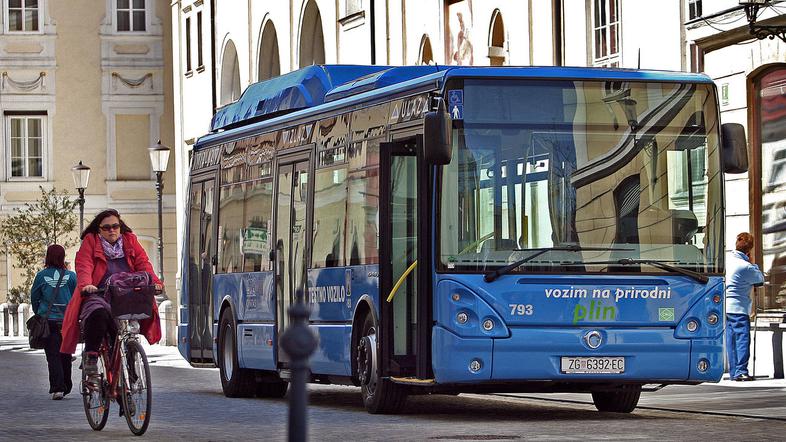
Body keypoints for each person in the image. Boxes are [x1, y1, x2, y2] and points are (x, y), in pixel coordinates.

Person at [60, 209, 163, 378]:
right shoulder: (91, 241)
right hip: (99, 293)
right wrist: (86, 285)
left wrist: (155, 283)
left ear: (120, 227)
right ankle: (91, 356)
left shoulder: (130, 240)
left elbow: (143, 263)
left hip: (126, 293)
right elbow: (84, 264)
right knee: (98, 313)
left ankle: (130, 367)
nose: (112, 230)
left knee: (127, 332)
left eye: (115, 226)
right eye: (106, 227)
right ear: (99, 229)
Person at [30, 244, 77, 400]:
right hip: (67, 321)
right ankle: (66, 385)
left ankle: (58, 388)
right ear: (63, 257)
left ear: (47, 257)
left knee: (53, 355)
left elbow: (35, 297)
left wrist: (39, 313)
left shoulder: (41, 276)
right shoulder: (71, 276)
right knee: (66, 353)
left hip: (48, 320)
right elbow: (77, 297)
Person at [725, 232, 765, 382]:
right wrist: (754, 264)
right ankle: (741, 371)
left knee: (731, 340)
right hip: (739, 308)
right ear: (749, 250)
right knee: (742, 340)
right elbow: (760, 279)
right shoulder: (746, 266)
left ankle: (734, 371)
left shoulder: (728, 260)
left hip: (726, 307)